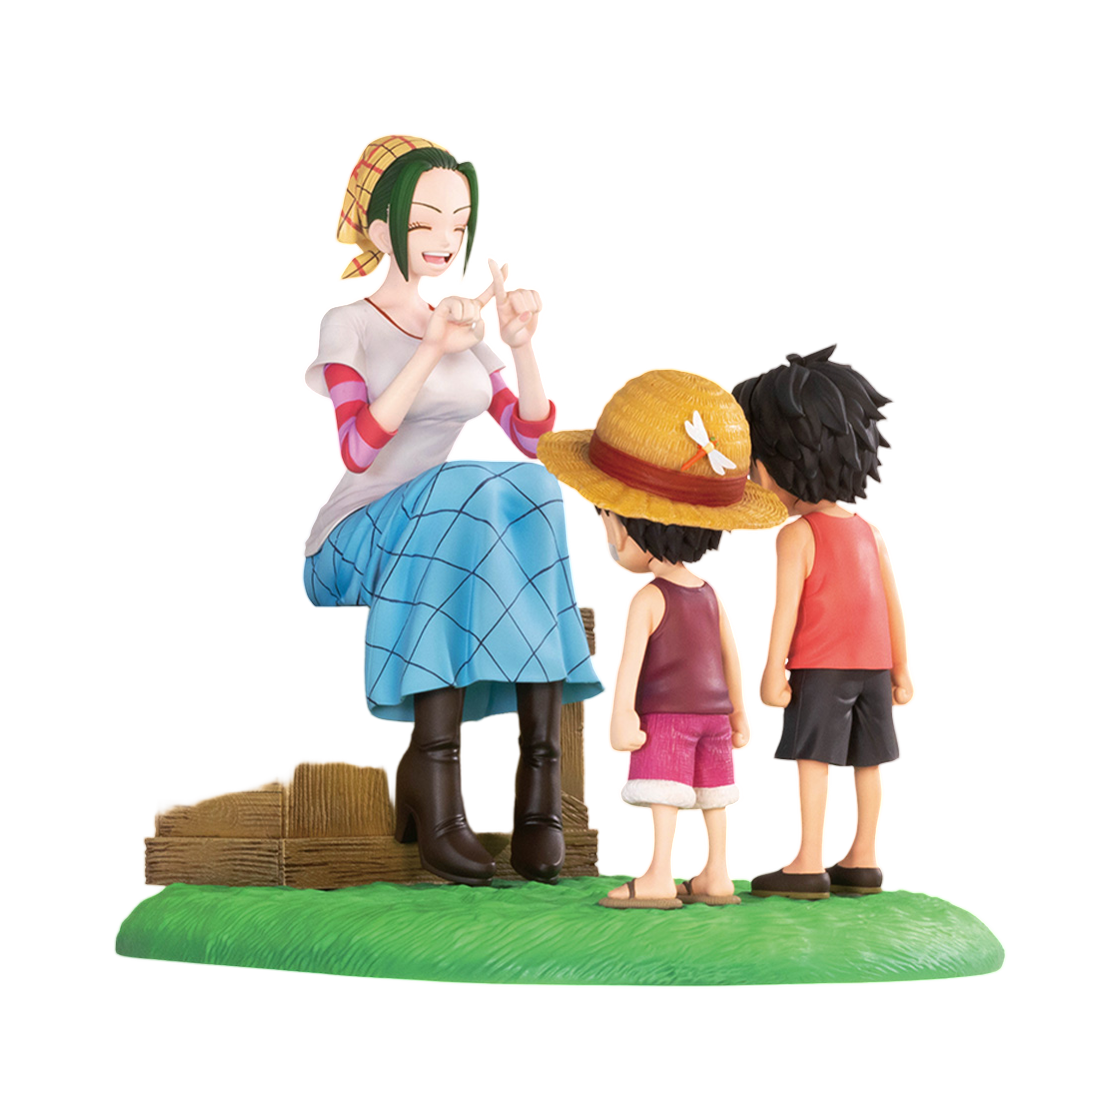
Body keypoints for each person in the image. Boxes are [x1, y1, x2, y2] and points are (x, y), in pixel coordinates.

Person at [298, 132, 606, 888]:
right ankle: (435, 778)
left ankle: (538, 791)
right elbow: (356, 449)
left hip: (448, 532)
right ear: (381, 231)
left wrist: (521, 345)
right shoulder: (348, 322)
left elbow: (534, 442)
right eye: (423, 222)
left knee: (534, 488)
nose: (445, 240)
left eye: (459, 223)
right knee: (459, 483)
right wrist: (431, 350)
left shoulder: (465, 323)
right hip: (353, 537)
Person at [538, 366, 787, 908]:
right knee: (715, 796)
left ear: (630, 524)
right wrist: (740, 713)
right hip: (716, 718)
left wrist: (621, 717)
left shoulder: (646, 599)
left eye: (606, 520)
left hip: (668, 719)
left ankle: (657, 876)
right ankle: (717, 874)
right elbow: (732, 657)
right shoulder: (712, 593)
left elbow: (628, 667)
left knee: (667, 798)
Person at [731, 342, 917, 899]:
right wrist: (903, 669)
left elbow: (784, 611)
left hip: (819, 668)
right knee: (869, 762)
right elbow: (896, 607)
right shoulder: (873, 532)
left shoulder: (797, 535)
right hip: (873, 669)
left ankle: (809, 860)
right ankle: (865, 857)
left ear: (783, 459)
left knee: (813, 759)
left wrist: (772, 671)